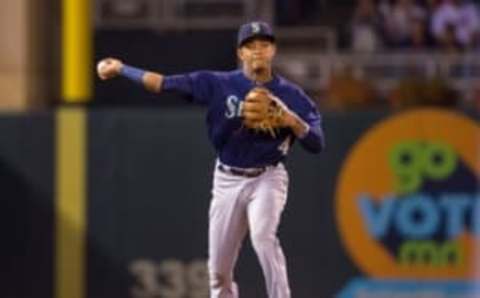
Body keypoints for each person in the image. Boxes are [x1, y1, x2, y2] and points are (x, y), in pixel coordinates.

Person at [97, 21, 325, 298]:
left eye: (263, 45)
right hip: (227, 179)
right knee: (218, 271)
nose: (257, 51)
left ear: (273, 50)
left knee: (263, 238)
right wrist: (122, 69)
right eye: (250, 46)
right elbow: (163, 84)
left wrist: (290, 118)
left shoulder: (293, 96)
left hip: (268, 177)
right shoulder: (218, 83)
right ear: (240, 53)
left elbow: (316, 143)